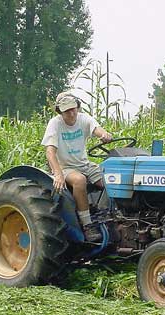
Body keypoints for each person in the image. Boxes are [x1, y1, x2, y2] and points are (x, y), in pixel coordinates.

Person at [41, 91, 112, 242]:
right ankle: (87, 225)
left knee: (111, 180)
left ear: (78, 107)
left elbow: (96, 129)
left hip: (84, 164)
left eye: (73, 109)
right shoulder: (55, 124)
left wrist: (104, 135)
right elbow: (50, 152)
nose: (72, 113)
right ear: (60, 111)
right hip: (65, 167)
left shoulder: (83, 119)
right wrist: (58, 174)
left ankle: (111, 215)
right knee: (79, 180)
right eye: (67, 111)